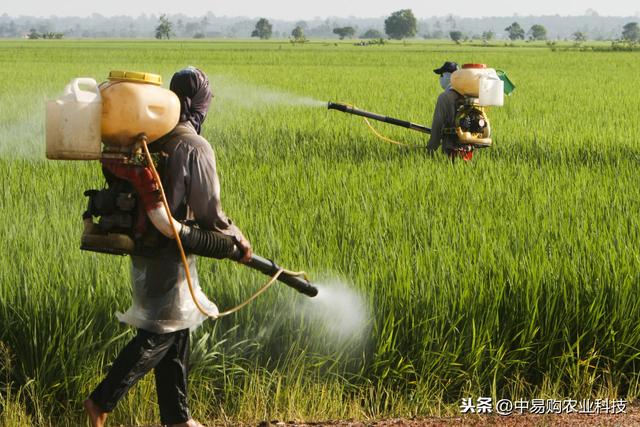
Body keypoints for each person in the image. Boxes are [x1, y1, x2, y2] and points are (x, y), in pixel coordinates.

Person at [84, 66, 252, 427]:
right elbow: (210, 214)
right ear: (200, 103)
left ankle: (178, 419)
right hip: (168, 245)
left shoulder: (151, 136)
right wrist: (235, 240)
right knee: (161, 333)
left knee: (176, 326)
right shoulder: (193, 145)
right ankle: (101, 400)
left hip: (145, 244)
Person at [427, 61, 473, 161]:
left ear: (448, 76)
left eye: (441, 75)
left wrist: (430, 148)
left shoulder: (445, 97)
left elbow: (437, 125)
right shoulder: (468, 95)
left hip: (451, 148)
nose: (440, 78)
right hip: (469, 147)